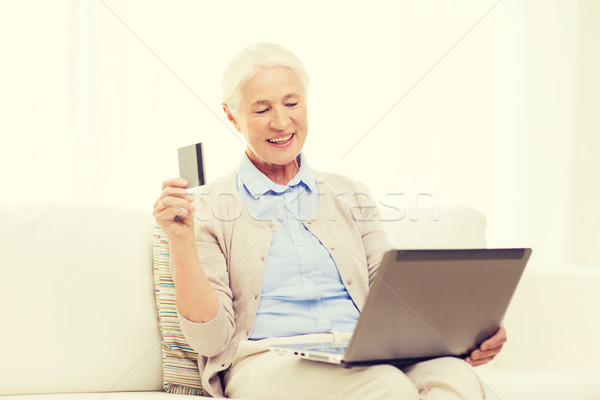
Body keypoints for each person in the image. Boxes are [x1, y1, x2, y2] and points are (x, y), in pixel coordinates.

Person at [153, 43, 506, 399]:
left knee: (455, 376)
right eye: (262, 109)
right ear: (232, 117)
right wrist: (182, 246)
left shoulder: (351, 193)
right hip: (269, 362)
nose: (280, 121)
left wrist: (464, 329)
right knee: (384, 385)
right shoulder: (209, 207)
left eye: (291, 103)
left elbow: (390, 293)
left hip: (365, 354)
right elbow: (210, 340)